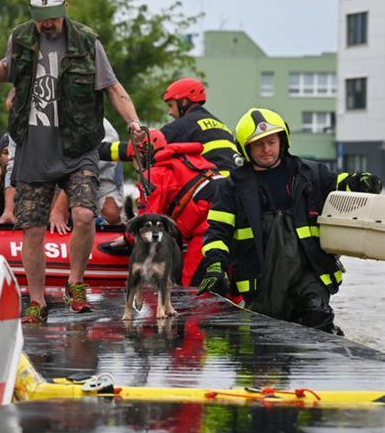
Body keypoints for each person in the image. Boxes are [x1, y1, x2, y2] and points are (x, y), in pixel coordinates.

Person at [0, 0, 144, 323]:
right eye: (41, 18)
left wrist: (134, 123)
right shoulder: (22, 37)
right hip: (34, 150)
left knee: (85, 215)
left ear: (64, 10)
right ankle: (36, 301)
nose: (47, 24)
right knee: (31, 227)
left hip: (77, 147)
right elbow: (8, 66)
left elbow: (113, 87)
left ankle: (75, 283)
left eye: (52, 17)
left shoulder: (87, 42)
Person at [198, 108, 382, 334]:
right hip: (260, 280)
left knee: (317, 314)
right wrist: (216, 264)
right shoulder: (232, 187)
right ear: (246, 148)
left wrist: (360, 182)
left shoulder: (309, 173)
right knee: (267, 341)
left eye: (271, 141)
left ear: (282, 140)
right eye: (258, 144)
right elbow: (217, 232)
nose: (267, 150)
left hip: (310, 271)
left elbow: (337, 183)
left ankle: (324, 359)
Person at [105, 128, 221, 286]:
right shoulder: (192, 161)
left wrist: (127, 238)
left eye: (135, 158)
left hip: (206, 230)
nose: (135, 165)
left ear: (143, 154)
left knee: (192, 289)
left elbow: (148, 220)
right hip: (229, 222)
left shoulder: (154, 175)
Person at [105, 77, 239, 176]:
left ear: (184, 101)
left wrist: (100, 151)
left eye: (171, 105)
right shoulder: (222, 126)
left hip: (211, 189)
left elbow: (142, 148)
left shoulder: (184, 126)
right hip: (234, 187)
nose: (170, 112)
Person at [97, 118, 125, 225]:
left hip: (104, 175)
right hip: (58, 173)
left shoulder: (106, 129)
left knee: (111, 214)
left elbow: (80, 168)